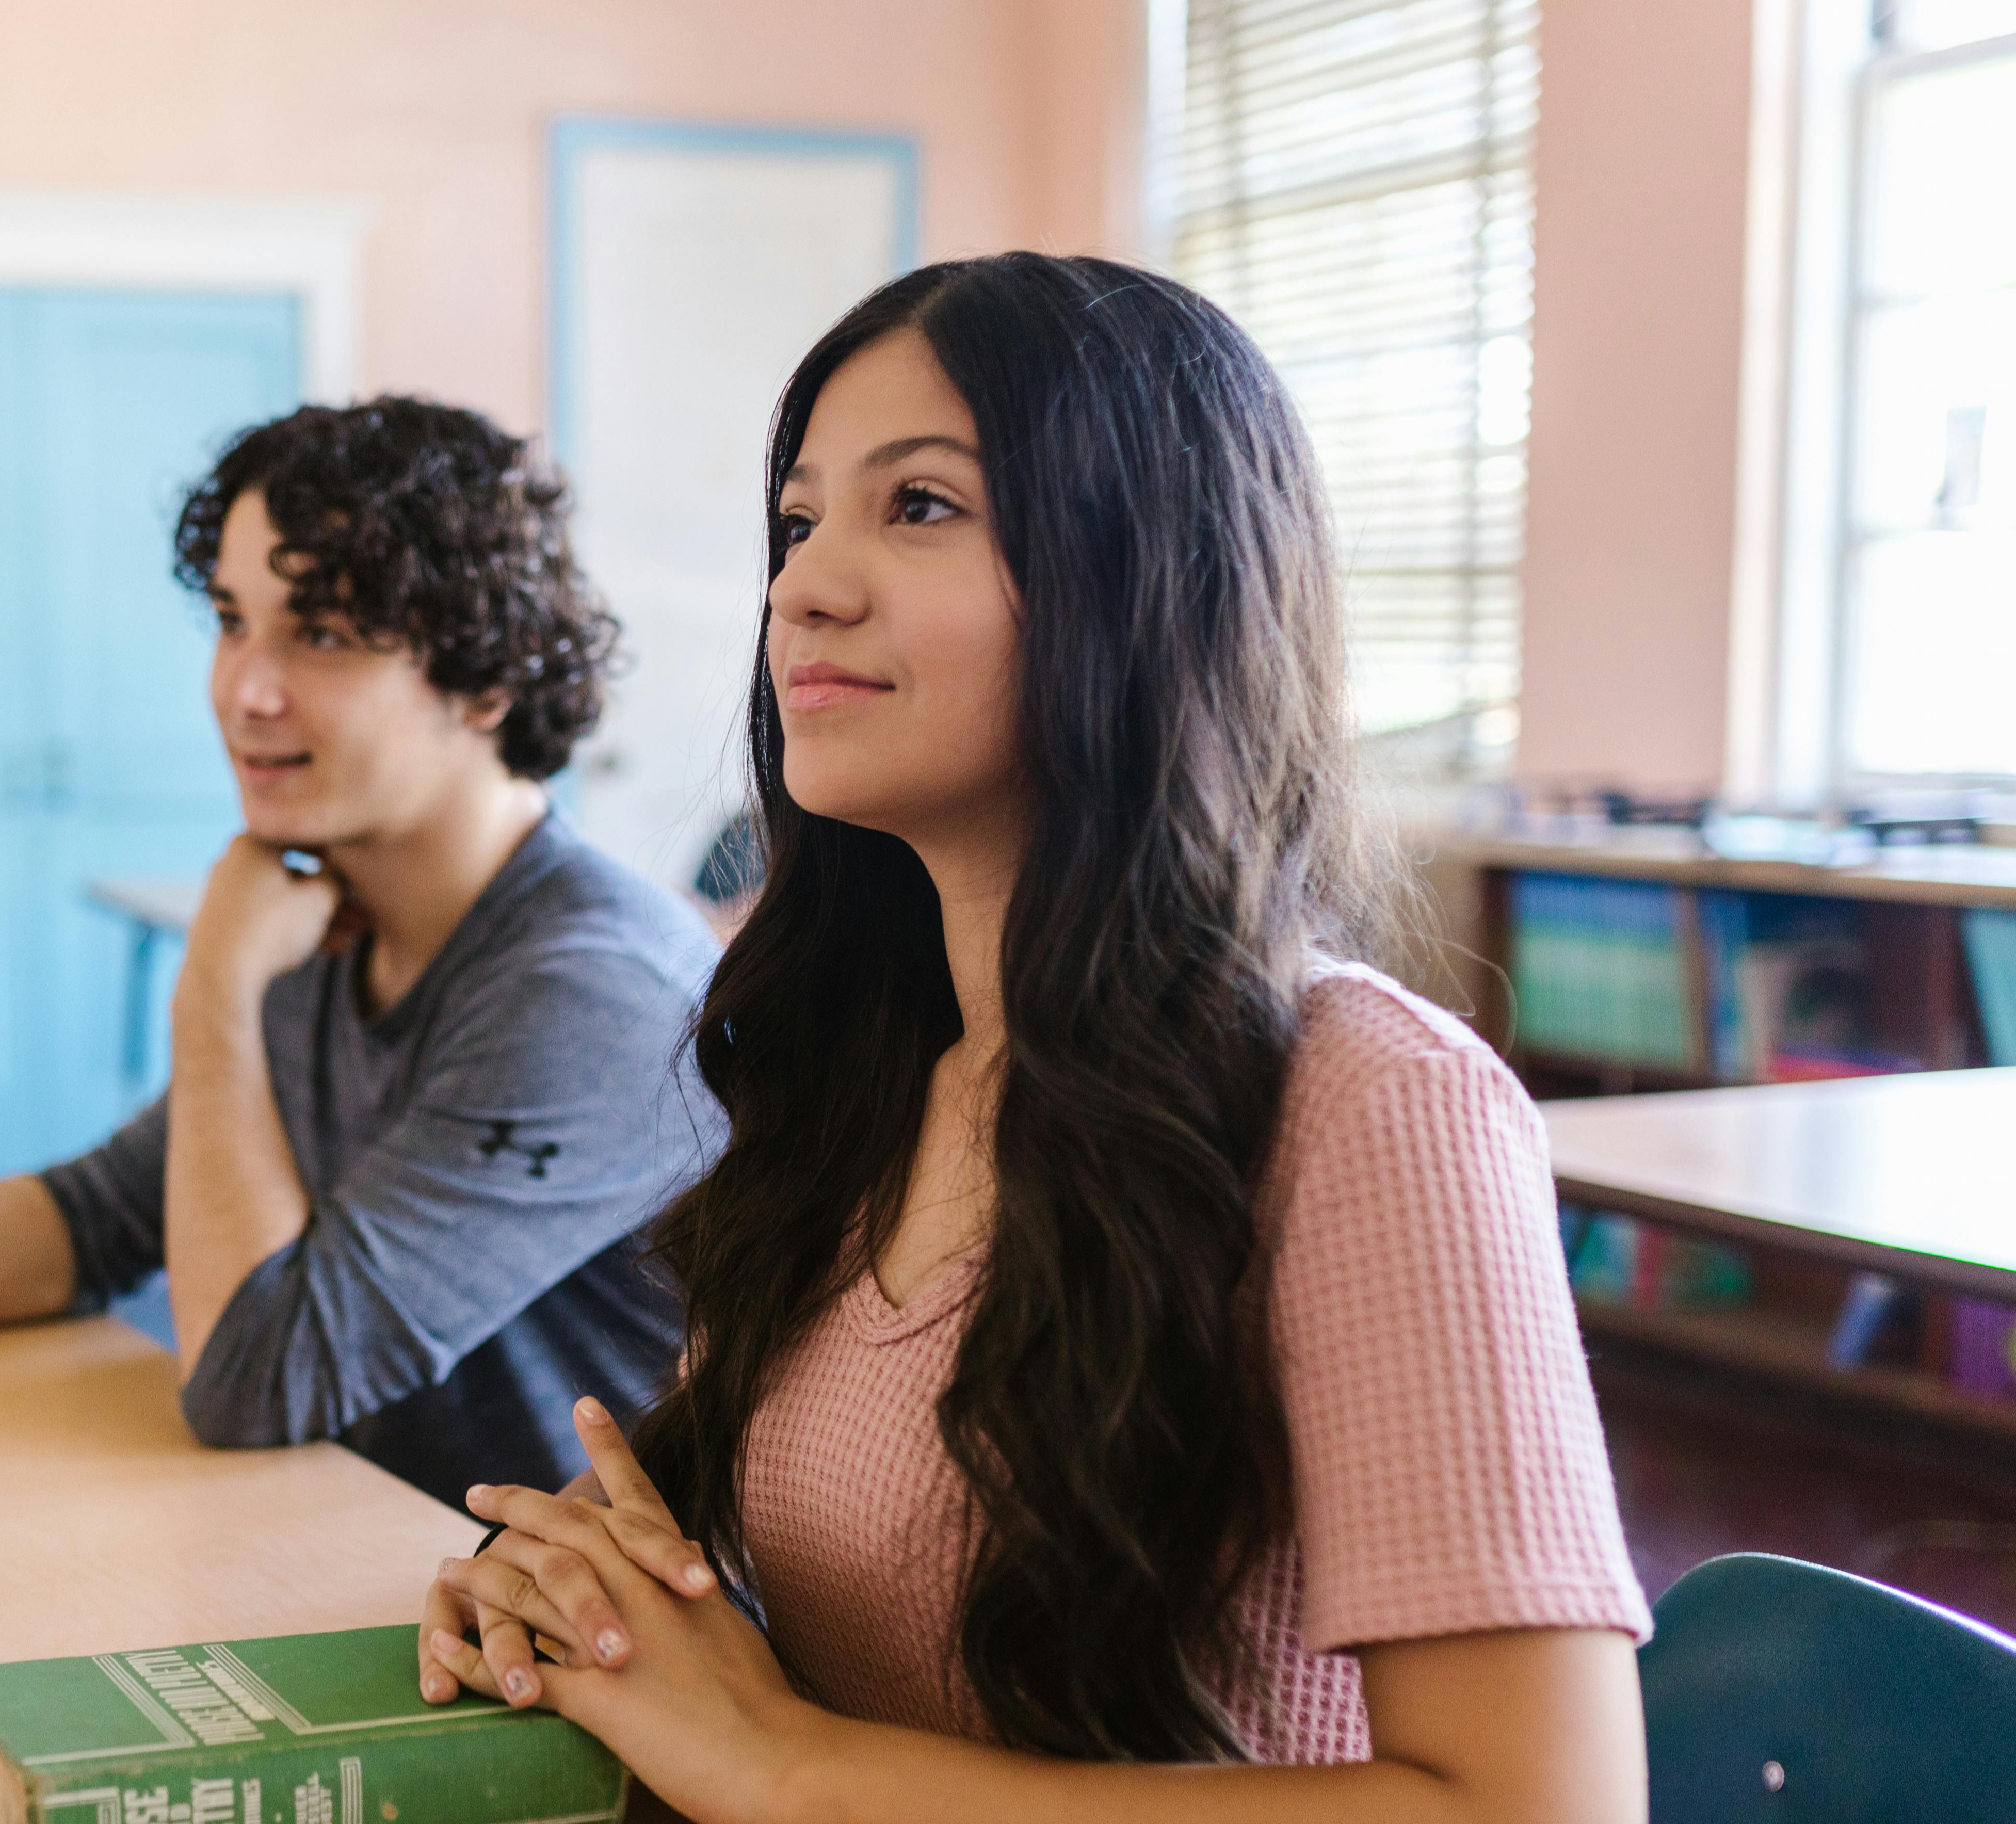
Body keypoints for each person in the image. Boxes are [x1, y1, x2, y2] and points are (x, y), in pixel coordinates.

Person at [413, 256, 1652, 1818]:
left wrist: (787, 1764)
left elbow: (1541, 1805)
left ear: (1152, 576)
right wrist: (578, 1597)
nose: (804, 583)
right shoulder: (867, 1067)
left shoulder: (1373, 1100)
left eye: (917, 506)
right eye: (799, 522)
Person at [0, 399, 720, 1505]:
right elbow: (93, 1216)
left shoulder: (591, 987)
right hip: (354, 1559)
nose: (243, 689)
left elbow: (255, 1380)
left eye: (321, 634)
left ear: (485, 678)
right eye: (230, 621)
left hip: (587, 1664)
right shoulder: (329, 911)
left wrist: (211, 996)